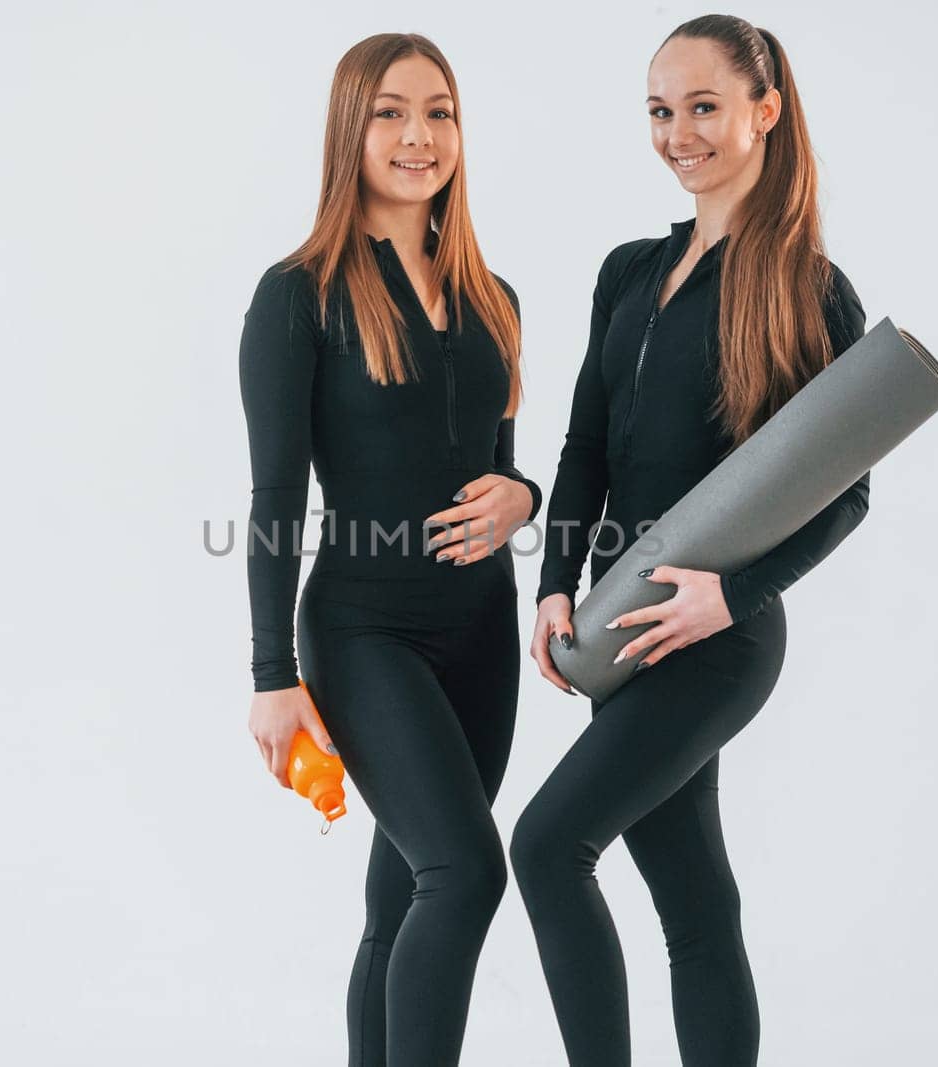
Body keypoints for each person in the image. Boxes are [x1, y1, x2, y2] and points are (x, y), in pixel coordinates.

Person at [510, 15, 873, 1066]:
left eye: (703, 107)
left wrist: (732, 592)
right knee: (695, 904)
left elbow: (846, 494)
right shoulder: (629, 270)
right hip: (619, 626)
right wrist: (555, 585)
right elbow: (583, 444)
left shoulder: (806, 285)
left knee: (546, 844)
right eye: (660, 112)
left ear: (765, 110)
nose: (678, 134)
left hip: (714, 641)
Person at [237, 33, 543, 1067]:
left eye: (440, 112)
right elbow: (275, 494)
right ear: (348, 129)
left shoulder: (495, 296)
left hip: (480, 634)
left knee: (408, 891)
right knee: (464, 871)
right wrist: (271, 674)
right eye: (391, 112)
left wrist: (527, 492)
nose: (419, 136)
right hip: (364, 629)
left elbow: (498, 472)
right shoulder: (301, 292)